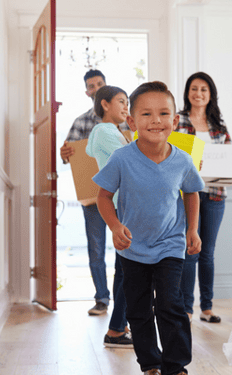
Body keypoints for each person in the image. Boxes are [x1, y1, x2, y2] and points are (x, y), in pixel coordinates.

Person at [93, 81, 204, 375]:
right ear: (131, 121)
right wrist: (115, 226)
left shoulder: (182, 160)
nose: (156, 120)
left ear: (175, 121)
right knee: (139, 310)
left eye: (164, 113)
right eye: (146, 114)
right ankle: (151, 364)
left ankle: (176, 365)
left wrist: (192, 230)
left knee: (170, 305)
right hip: (132, 249)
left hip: (170, 244)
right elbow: (103, 196)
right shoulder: (122, 158)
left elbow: (191, 192)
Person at [177, 72, 232, 323]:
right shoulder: (178, 120)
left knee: (207, 253)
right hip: (188, 194)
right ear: (187, 93)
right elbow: (171, 152)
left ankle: (207, 307)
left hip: (216, 194)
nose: (198, 94)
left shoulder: (219, 125)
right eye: (194, 89)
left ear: (210, 94)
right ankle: (186, 307)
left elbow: (231, 158)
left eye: (204, 90)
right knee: (190, 250)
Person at [60, 70, 130, 316]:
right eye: (91, 86)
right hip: (93, 195)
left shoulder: (123, 122)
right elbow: (72, 155)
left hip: (119, 196)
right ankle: (102, 298)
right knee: (97, 248)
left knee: (124, 249)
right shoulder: (82, 123)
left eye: (100, 84)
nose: (96, 87)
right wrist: (65, 153)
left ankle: (122, 307)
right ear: (88, 92)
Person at [85, 85, 133, 348]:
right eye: (122, 102)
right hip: (123, 203)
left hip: (119, 202)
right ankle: (116, 329)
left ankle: (119, 325)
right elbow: (131, 156)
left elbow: (90, 153)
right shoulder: (105, 131)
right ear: (105, 104)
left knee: (123, 269)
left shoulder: (105, 132)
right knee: (128, 271)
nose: (126, 107)